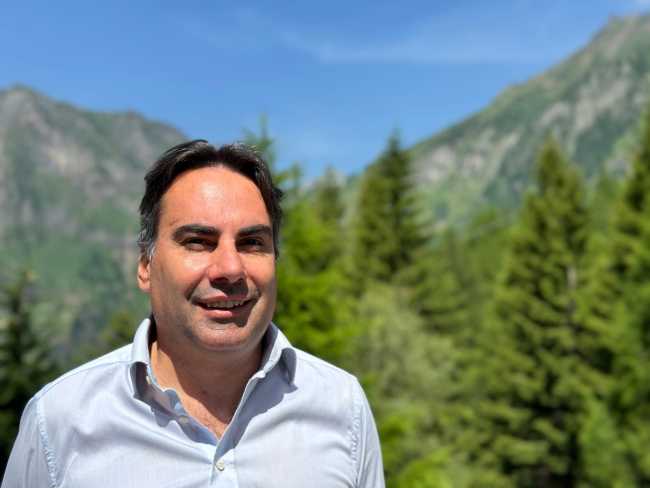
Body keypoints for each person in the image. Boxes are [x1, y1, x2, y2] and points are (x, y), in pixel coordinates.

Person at [2, 140, 385, 487]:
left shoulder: (343, 407)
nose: (230, 269)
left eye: (252, 242)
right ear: (145, 266)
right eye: (198, 242)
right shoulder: (59, 421)